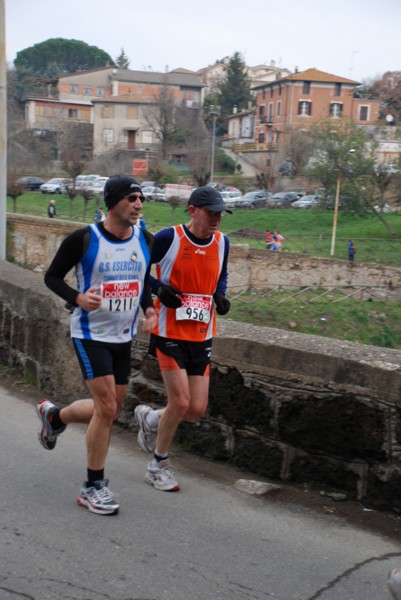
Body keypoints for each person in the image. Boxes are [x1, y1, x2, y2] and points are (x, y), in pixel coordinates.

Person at [36, 175, 157, 515]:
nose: (138, 204)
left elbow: (143, 279)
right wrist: (77, 297)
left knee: (109, 408)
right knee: (106, 408)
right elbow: (51, 276)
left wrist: (149, 308)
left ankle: (55, 417)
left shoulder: (144, 240)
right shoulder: (84, 239)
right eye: (132, 198)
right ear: (113, 202)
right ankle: (93, 486)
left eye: (141, 199)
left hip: (123, 337)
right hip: (90, 335)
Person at [134, 186, 231, 492]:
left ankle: (151, 419)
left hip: (202, 332)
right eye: (210, 212)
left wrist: (220, 295)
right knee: (181, 401)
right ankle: (158, 464)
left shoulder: (222, 242)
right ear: (192, 210)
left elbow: (222, 274)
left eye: (220, 213)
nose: (216, 218)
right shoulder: (168, 238)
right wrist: (158, 289)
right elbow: (139, 271)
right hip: (168, 330)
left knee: (196, 409)